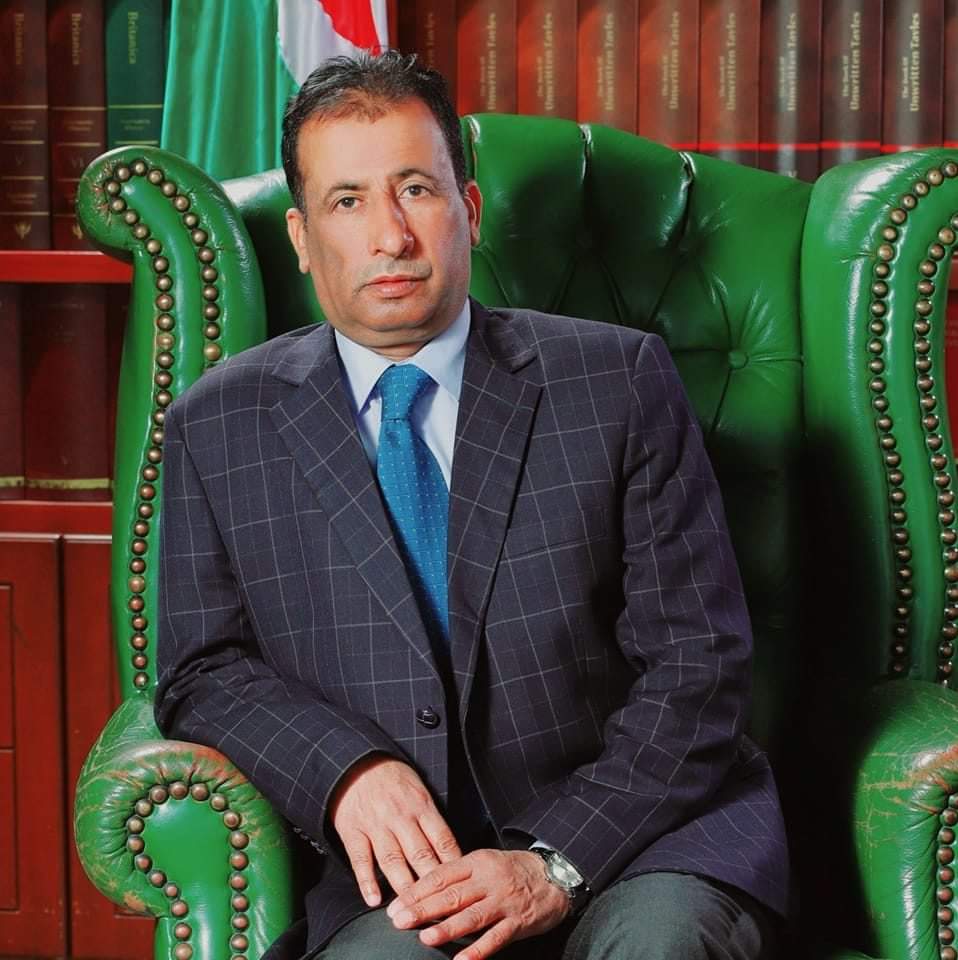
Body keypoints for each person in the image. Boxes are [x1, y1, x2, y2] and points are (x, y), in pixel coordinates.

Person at [155, 50, 789, 960]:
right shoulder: (218, 423)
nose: (389, 236)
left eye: (416, 190)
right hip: (409, 874)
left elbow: (699, 663)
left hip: (645, 840)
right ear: (301, 236)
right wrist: (345, 771)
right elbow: (202, 669)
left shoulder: (616, 379)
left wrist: (555, 861)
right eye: (347, 201)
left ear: (470, 210)